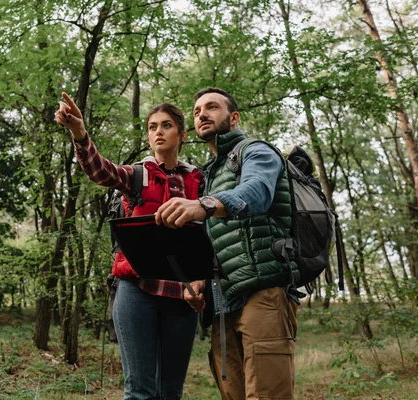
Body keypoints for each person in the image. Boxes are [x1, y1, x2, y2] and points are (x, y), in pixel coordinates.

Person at [55, 92, 203, 400]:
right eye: (152, 127)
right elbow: (100, 170)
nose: (158, 132)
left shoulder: (199, 180)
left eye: (166, 125)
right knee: (139, 392)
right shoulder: (137, 174)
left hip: (182, 296)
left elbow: (212, 235)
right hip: (136, 289)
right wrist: (79, 133)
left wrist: (203, 283)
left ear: (183, 134)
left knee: (170, 393)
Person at [155, 87, 300, 400]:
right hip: (222, 305)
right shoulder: (210, 174)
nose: (202, 114)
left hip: (263, 293)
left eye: (212, 107)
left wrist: (204, 204)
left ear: (233, 118)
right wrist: (200, 281)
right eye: (196, 111)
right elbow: (217, 243)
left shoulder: (255, 151)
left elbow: (257, 192)